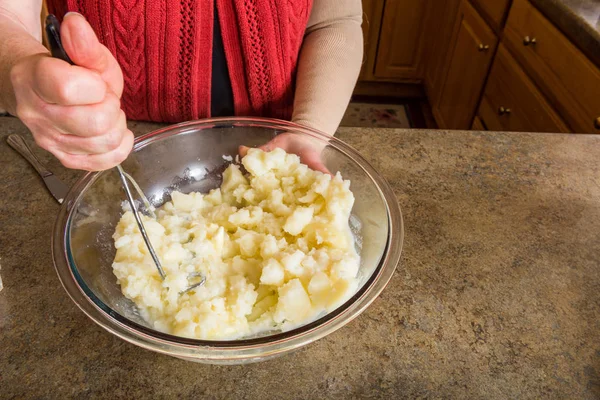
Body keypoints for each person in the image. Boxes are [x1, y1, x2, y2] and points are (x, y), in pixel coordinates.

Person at [0, 0, 363, 171]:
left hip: (276, 143)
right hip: (116, 148)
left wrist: (308, 132)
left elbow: (334, 21)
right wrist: (18, 67)